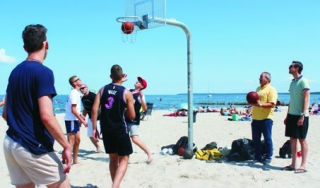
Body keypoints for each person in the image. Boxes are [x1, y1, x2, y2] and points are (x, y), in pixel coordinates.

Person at [2, 24, 71, 187]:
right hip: (32, 145)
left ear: (25, 47)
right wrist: (66, 145)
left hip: (10, 142)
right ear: (46, 44)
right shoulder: (43, 72)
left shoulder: (15, 72)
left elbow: (5, 114)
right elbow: (46, 115)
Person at [91, 64, 135, 188]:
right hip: (120, 128)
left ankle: (115, 185)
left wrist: (94, 128)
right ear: (122, 76)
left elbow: (94, 110)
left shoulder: (102, 89)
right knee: (124, 158)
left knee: (113, 159)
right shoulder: (126, 92)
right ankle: (115, 186)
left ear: (110, 76)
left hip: (106, 128)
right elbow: (132, 116)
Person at [283, 61, 310, 173]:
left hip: (301, 115)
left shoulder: (303, 81)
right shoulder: (293, 82)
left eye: (291, 66)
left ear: (297, 68)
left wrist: (302, 115)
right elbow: (291, 101)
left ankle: (303, 165)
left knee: (302, 140)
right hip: (292, 115)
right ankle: (294, 164)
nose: (289, 67)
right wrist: (287, 115)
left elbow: (306, 99)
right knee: (292, 139)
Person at [250, 72, 278, 165]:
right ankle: (257, 157)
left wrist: (260, 105)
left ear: (267, 79)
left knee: (267, 139)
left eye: (261, 77)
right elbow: (254, 101)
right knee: (256, 139)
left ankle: (268, 157)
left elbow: (272, 104)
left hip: (266, 119)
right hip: (256, 118)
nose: (259, 78)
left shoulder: (271, 89)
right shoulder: (258, 89)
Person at [125, 76, 153, 164]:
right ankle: (124, 157)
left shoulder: (140, 95)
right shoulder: (129, 90)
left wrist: (141, 99)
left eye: (139, 82)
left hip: (134, 120)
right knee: (123, 138)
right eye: (138, 81)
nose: (137, 82)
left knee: (135, 139)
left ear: (141, 86)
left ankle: (149, 154)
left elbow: (145, 109)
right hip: (124, 118)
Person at [64, 76, 88, 164]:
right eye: (78, 79)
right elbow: (73, 110)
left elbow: (76, 109)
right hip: (71, 119)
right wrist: (83, 121)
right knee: (71, 141)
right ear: (74, 83)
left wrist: (81, 115)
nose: (80, 80)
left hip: (74, 119)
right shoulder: (74, 93)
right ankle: (68, 161)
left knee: (77, 140)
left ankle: (75, 160)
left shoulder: (77, 93)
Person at [79, 84, 102, 152]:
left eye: (83, 88)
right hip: (90, 118)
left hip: (98, 118)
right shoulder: (83, 98)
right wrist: (82, 118)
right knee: (90, 135)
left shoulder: (93, 96)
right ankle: (98, 147)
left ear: (87, 87)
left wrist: (95, 117)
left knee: (100, 136)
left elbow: (98, 107)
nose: (81, 90)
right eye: (80, 89)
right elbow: (85, 109)